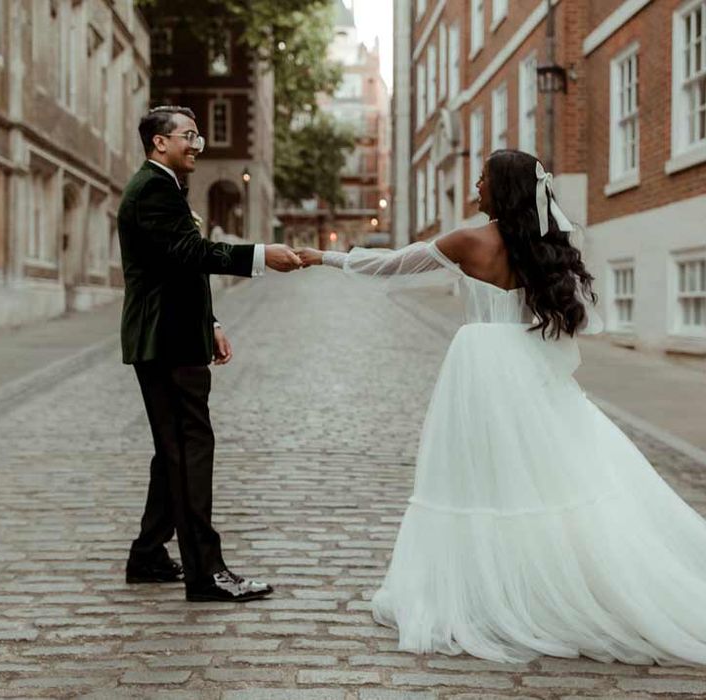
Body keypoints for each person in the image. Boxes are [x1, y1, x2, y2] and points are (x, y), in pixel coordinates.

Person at [296, 149, 706, 664]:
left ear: (502, 188)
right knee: (542, 476)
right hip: (529, 362)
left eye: (483, 178)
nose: (475, 185)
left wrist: (326, 258)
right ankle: (535, 586)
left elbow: (391, 265)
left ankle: (491, 595)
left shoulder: (470, 240)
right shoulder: (545, 244)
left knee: (475, 477)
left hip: (479, 366)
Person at [119, 105, 301, 602]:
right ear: (160, 142)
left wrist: (212, 321)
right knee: (189, 450)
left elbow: (176, 268)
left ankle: (148, 554)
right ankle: (206, 572)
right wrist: (261, 254)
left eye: (198, 138)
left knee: (172, 449)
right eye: (189, 137)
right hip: (167, 340)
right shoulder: (153, 189)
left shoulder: (166, 186)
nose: (198, 146)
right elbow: (192, 254)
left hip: (176, 332)